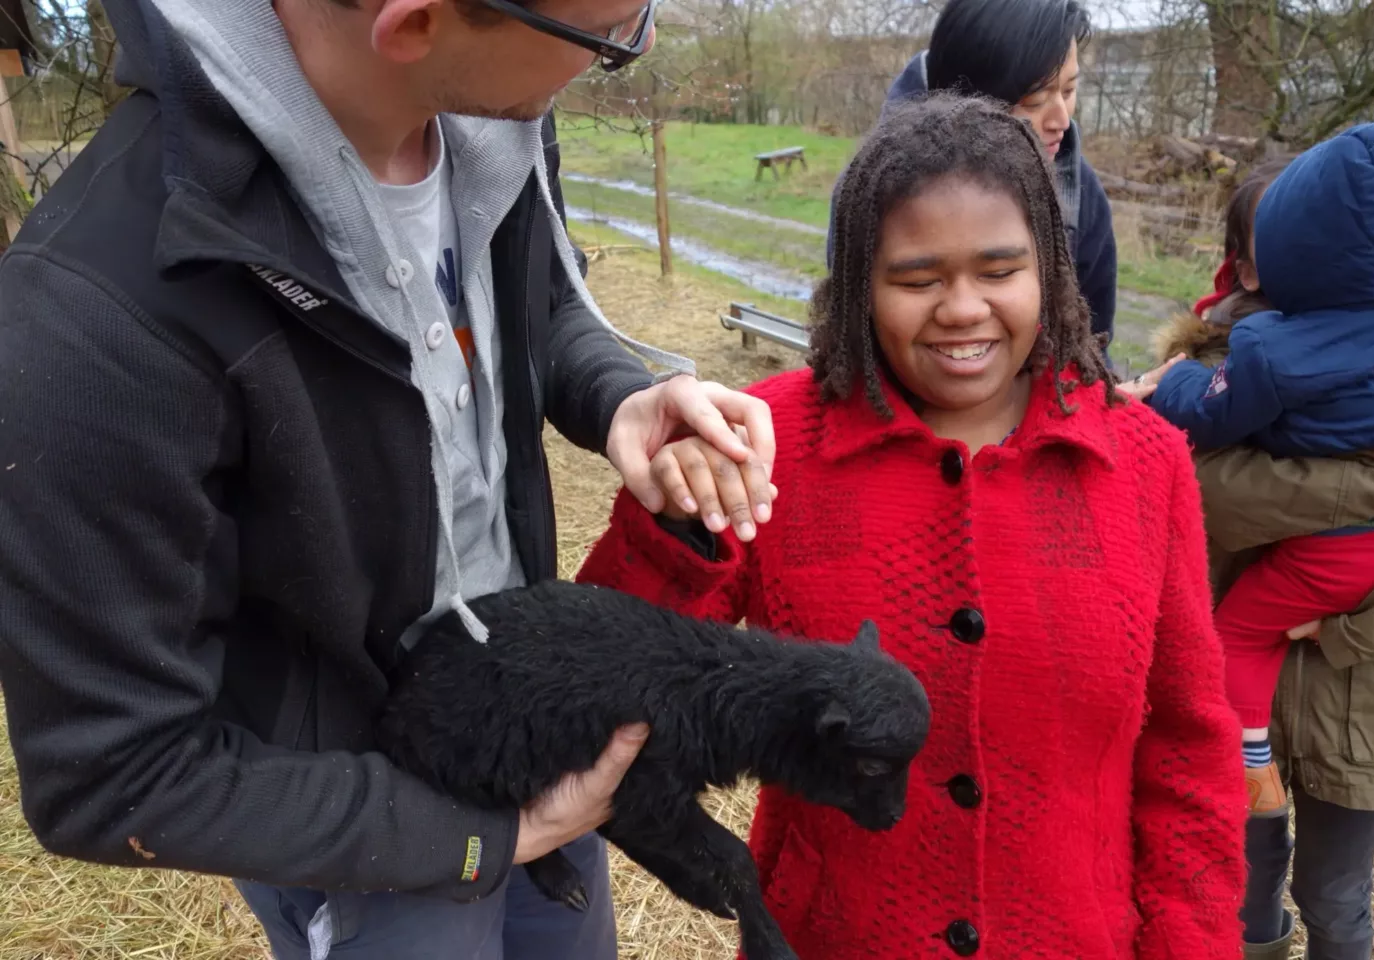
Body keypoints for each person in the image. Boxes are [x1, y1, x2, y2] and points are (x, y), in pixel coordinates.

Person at [0, 1, 778, 958]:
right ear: (413, 25)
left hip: (531, 723)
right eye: (610, 37)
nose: (642, 43)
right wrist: (479, 839)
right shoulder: (94, 316)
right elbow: (112, 774)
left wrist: (618, 395)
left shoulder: (493, 125)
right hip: (364, 821)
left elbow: (531, 294)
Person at [577, 92, 1247, 959]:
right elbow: (607, 687)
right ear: (861, 282)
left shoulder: (1145, 463)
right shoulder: (762, 442)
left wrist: (1191, 945)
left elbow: (1189, 750)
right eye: (917, 279)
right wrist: (671, 526)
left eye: (1000, 271)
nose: (962, 308)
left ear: (1049, 267)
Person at [1150, 158, 1374, 960]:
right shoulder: (1225, 361)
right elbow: (1209, 495)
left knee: (1335, 892)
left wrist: (1358, 626)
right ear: (1241, 265)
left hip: (1364, 710)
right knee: (1241, 882)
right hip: (1252, 707)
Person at [827, 0, 1117, 355]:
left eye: (1068, 91)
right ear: (968, 98)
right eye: (1034, 100)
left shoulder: (1080, 193)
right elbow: (854, 337)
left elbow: (1094, 339)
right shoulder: (873, 189)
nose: (1061, 119)